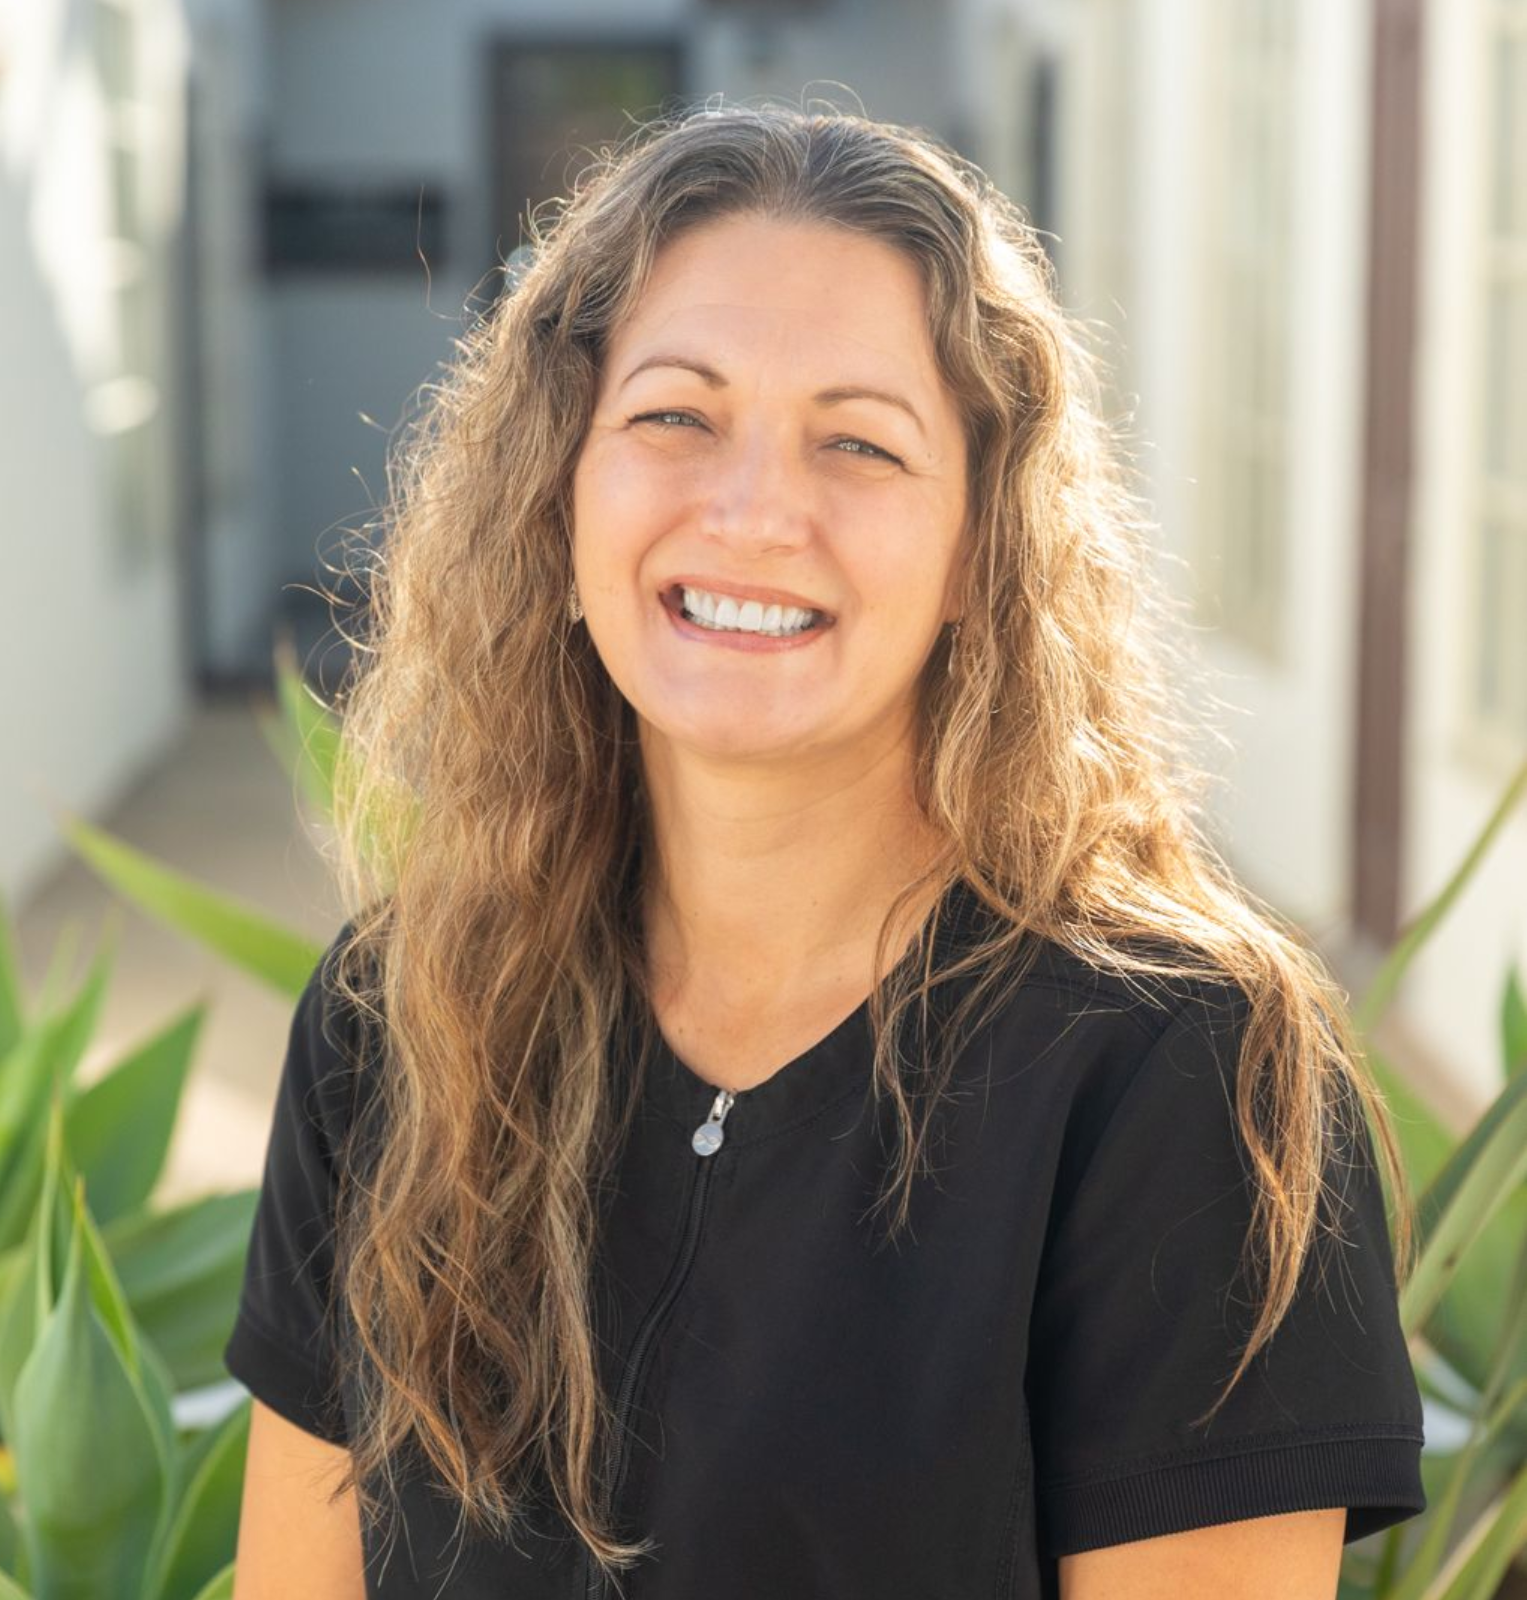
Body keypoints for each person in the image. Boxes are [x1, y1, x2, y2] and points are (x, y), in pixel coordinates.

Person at [224, 102, 1427, 1599]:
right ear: (559, 490)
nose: (755, 511)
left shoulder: (1183, 1077)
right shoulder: (395, 1022)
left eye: (859, 442)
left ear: (981, 554)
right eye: (676, 414)